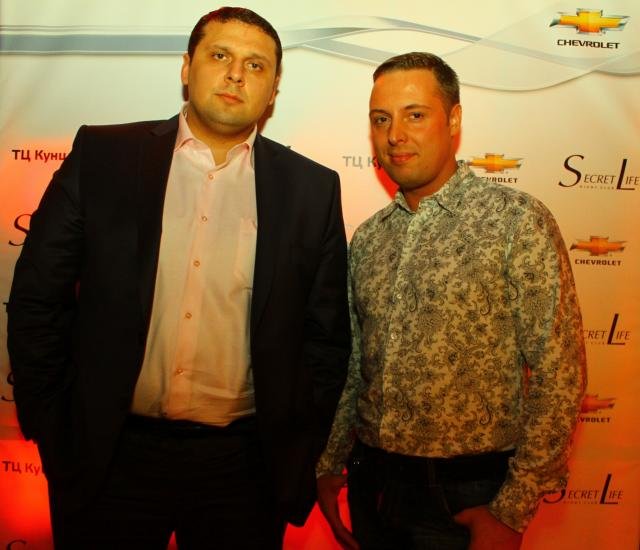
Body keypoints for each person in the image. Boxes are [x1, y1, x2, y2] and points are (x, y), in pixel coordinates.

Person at [7, 7, 350, 549]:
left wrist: (298, 445)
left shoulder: (312, 189)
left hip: (244, 473)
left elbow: (325, 339)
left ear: (273, 91)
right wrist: (52, 426)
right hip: (110, 459)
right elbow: (37, 298)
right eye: (220, 56)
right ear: (187, 67)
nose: (236, 74)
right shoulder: (104, 157)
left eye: (256, 65)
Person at [316, 52, 586, 550]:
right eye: (381, 119)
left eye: (415, 115)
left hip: (467, 496)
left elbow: (560, 372)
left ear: (454, 119)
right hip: (372, 482)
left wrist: (512, 510)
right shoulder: (369, 238)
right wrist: (331, 462)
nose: (395, 134)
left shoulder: (514, 221)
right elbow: (356, 368)